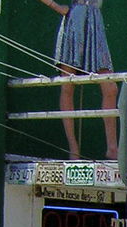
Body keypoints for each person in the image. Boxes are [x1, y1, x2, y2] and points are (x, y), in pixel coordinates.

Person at [38, 0, 118, 160]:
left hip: (94, 20)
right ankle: (73, 147)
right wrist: (57, 7)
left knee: (110, 87)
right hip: (74, 18)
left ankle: (112, 148)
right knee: (67, 86)